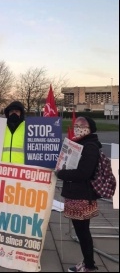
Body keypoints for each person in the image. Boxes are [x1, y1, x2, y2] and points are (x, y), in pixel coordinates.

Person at [55, 116, 100, 272]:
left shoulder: (90, 147)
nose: (78, 127)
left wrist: (61, 174)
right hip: (75, 193)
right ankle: (88, 263)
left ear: (90, 128)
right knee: (82, 232)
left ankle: (89, 266)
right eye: (76, 125)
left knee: (83, 232)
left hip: (82, 195)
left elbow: (83, 173)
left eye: (82, 125)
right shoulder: (80, 143)